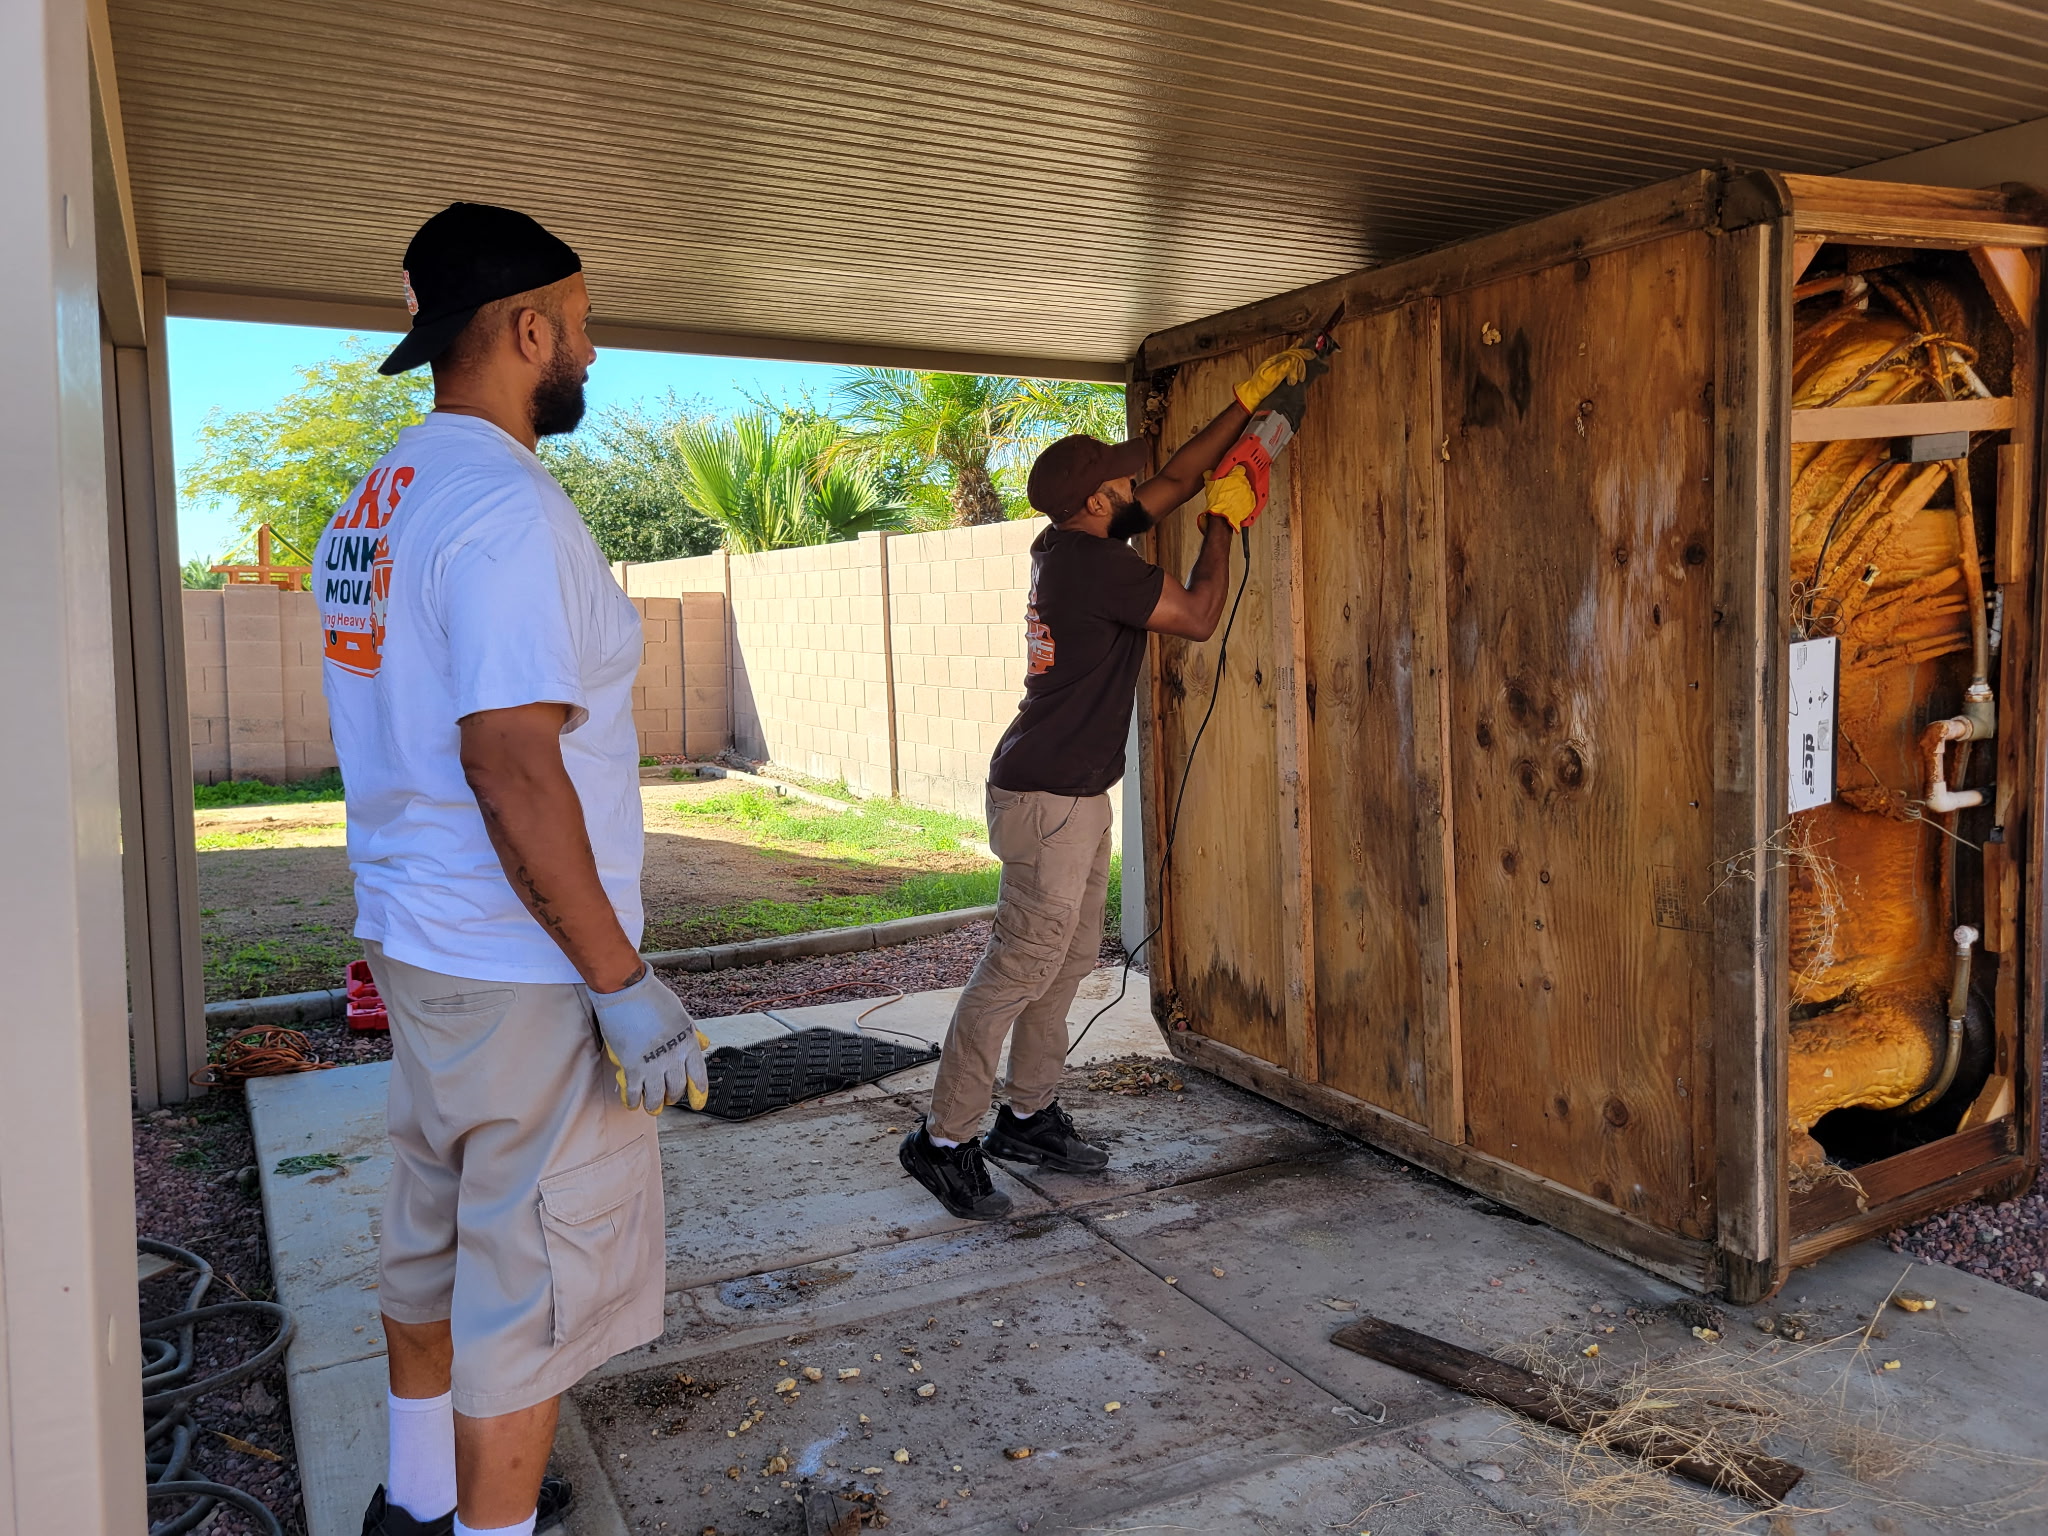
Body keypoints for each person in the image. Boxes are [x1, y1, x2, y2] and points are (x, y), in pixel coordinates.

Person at [316, 202, 708, 1536]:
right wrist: (623, 982)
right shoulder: (508, 510)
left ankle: (416, 1501)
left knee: (430, 1237)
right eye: (583, 327)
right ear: (529, 329)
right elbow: (511, 762)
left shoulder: (377, 500)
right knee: (530, 1291)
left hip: (421, 946)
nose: (590, 354)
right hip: (523, 969)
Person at [898, 346, 1315, 1218]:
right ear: (1096, 502)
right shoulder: (1095, 568)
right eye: (1118, 483)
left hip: (1068, 792)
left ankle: (1028, 1114)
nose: (1135, 487)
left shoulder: (1071, 541)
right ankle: (942, 1139)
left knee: (1067, 962)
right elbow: (1199, 616)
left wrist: (1248, 402)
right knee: (1016, 969)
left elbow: (1173, 475)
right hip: (1048, 798)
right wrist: (1223, 523)